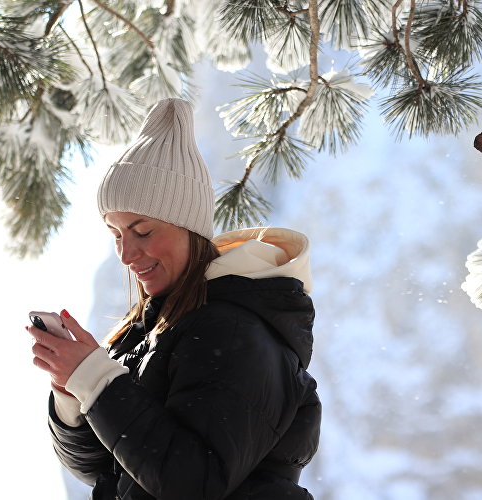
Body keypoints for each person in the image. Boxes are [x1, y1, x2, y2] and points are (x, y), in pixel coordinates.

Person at [26, 98, 321, 499]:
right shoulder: (146, 332)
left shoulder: (236, 329)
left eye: (142, 231)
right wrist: (72, 392)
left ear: (189, 228)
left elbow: (192, 484)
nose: (126, 255)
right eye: (116, 235)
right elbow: (100, 468)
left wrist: (97, 380)